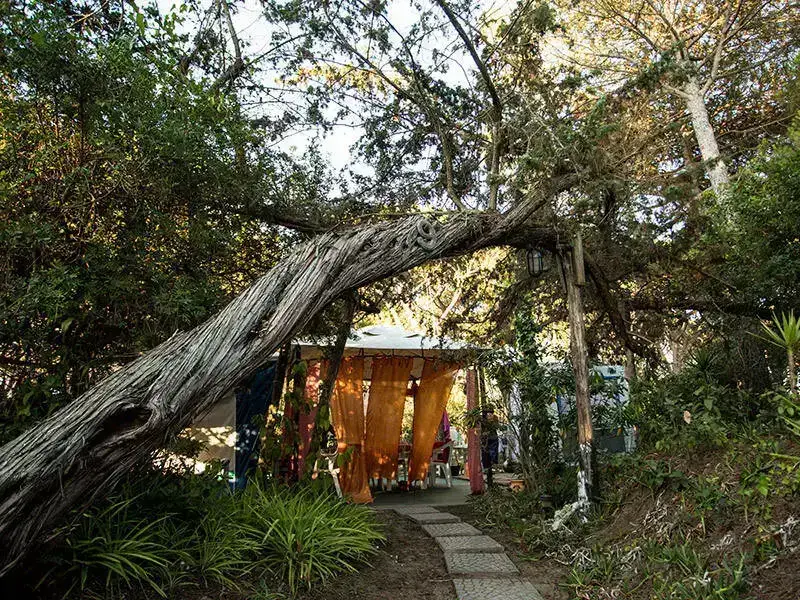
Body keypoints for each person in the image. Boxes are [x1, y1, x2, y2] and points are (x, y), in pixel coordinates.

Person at [480, 406, 500, 486]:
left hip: (493, 438)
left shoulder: (495, 418)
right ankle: (487, 467)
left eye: (491, 413)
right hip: (485, 440)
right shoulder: (482, 420)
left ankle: (493, 464)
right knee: (485, 455)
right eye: (488, 414)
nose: (490, 415)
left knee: (493, 453)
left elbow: (496, 426)